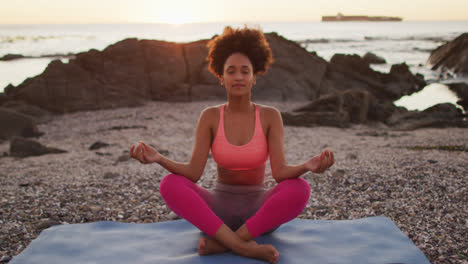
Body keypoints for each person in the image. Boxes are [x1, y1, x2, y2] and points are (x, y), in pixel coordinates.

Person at [130, 26, 335, 264]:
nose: (238, 77)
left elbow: (280, 174)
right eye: (231, 71)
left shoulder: (270, 116)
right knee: (170, 184)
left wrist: (308, 165)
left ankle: (224, 243)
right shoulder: (210, 116)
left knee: (299, 188)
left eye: (245, 71)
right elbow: (193, 173)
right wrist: (159, 159)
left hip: (259, 214)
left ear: (254, 77)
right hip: (218, 211)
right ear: (221, 76)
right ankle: (244, 247)